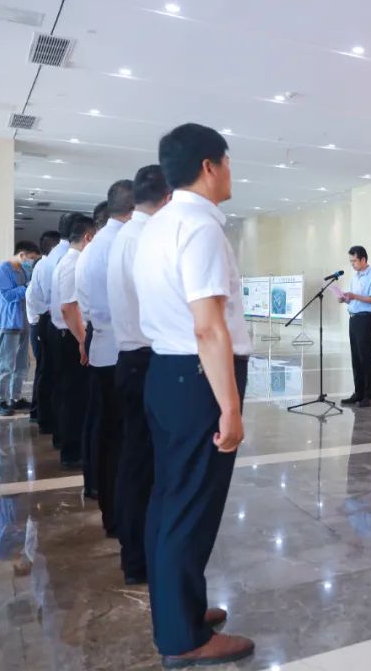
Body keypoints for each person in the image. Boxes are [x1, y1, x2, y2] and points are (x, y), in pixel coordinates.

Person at [134, 123, 254, 666]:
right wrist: (230, 407)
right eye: (227, 162)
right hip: (197, 378)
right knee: (191, 509)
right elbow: (208, 327)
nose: (229, 172)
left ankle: (177, 610)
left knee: (169, 500)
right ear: (209, 166)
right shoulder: (200, 229)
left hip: (167, 372)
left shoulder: (159, 224)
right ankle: (183, 639)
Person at [108, 164, 171, 586]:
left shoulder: (125, 235)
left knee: (136, 462)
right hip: (146, 359)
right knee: (145, 467)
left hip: (130, 357)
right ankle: (140, 558)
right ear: (168, 197)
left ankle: (135, 552)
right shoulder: (147, 238)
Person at [77, 180, 134, 535]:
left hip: (102, 348)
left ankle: (109, 509)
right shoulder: (123, 245)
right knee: (122, 440)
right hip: (120, 352)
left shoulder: (93, 247)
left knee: (108, 434)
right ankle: (118, 514)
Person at [50, 214, 95, 469]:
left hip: (68, 334)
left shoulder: (68, 260)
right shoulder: (73, 263)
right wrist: (81, 340)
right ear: (88, 237)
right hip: (70, 336)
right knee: (74, 396)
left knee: (72, 395)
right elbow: (68, 307)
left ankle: (69, 444)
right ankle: (72, 450)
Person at [28, 215, 76, 442]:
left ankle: (45, 419)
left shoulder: (48, 259)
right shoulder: (68, 257)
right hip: (61, 322)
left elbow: (35, 295)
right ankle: (58, 428)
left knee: (48, 372)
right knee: (64, 380)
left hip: (47, 320)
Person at [0, 240, 40, 416]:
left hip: (24, 321)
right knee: (6, 363)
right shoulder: (1, 270)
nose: (31, 262)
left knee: (22, 363)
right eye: (31, 258)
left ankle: (15, 398)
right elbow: (8, 295)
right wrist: (27, 287)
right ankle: (0, 401)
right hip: (9, 321)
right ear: (22, 254)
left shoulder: (23, 271)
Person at [339, 245, 371, 408]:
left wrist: (355, 296)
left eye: (354, 261)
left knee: (366, 357)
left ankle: (370, 396)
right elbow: (355, 299)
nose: (352, 264)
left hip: (366, 320)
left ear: (363, 259)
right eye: (351, 261)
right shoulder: (355, 277)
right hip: (354, 319)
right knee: (356, 358)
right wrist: (346, 298)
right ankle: (359, 393)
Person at [27, 231, 61, 424]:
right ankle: (40, 412)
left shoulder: (44, 265)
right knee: (45, 369)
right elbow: (37, 300)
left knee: (45, 369)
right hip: (44, 321)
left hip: (43, 320)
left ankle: (40, 412)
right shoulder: (46, 266)